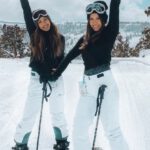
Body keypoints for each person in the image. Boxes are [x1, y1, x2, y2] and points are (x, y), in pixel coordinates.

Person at [51, 0, 129, 150]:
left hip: (106, 84)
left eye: (97, 18)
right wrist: (56, 73)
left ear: (103, 19)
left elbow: (115, 5)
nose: (94, 22)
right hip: (88, 87)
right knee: (79, 129)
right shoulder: (84, 39)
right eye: (91, 19)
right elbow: (69, 57)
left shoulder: (109, 32)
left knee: (112, 130)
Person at [12, 0, 69, 150]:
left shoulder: (60, 38)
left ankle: (62, 141)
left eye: (46, 20)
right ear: (36, 25)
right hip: (37, 78)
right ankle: (20, 144)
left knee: (58, 113)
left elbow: (61, 61)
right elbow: (26, 13)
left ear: (50, 19)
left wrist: (55, 74)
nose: (44, 23)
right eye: (40, 22)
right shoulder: (34, 35)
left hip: (55, 79)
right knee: (29, 113)